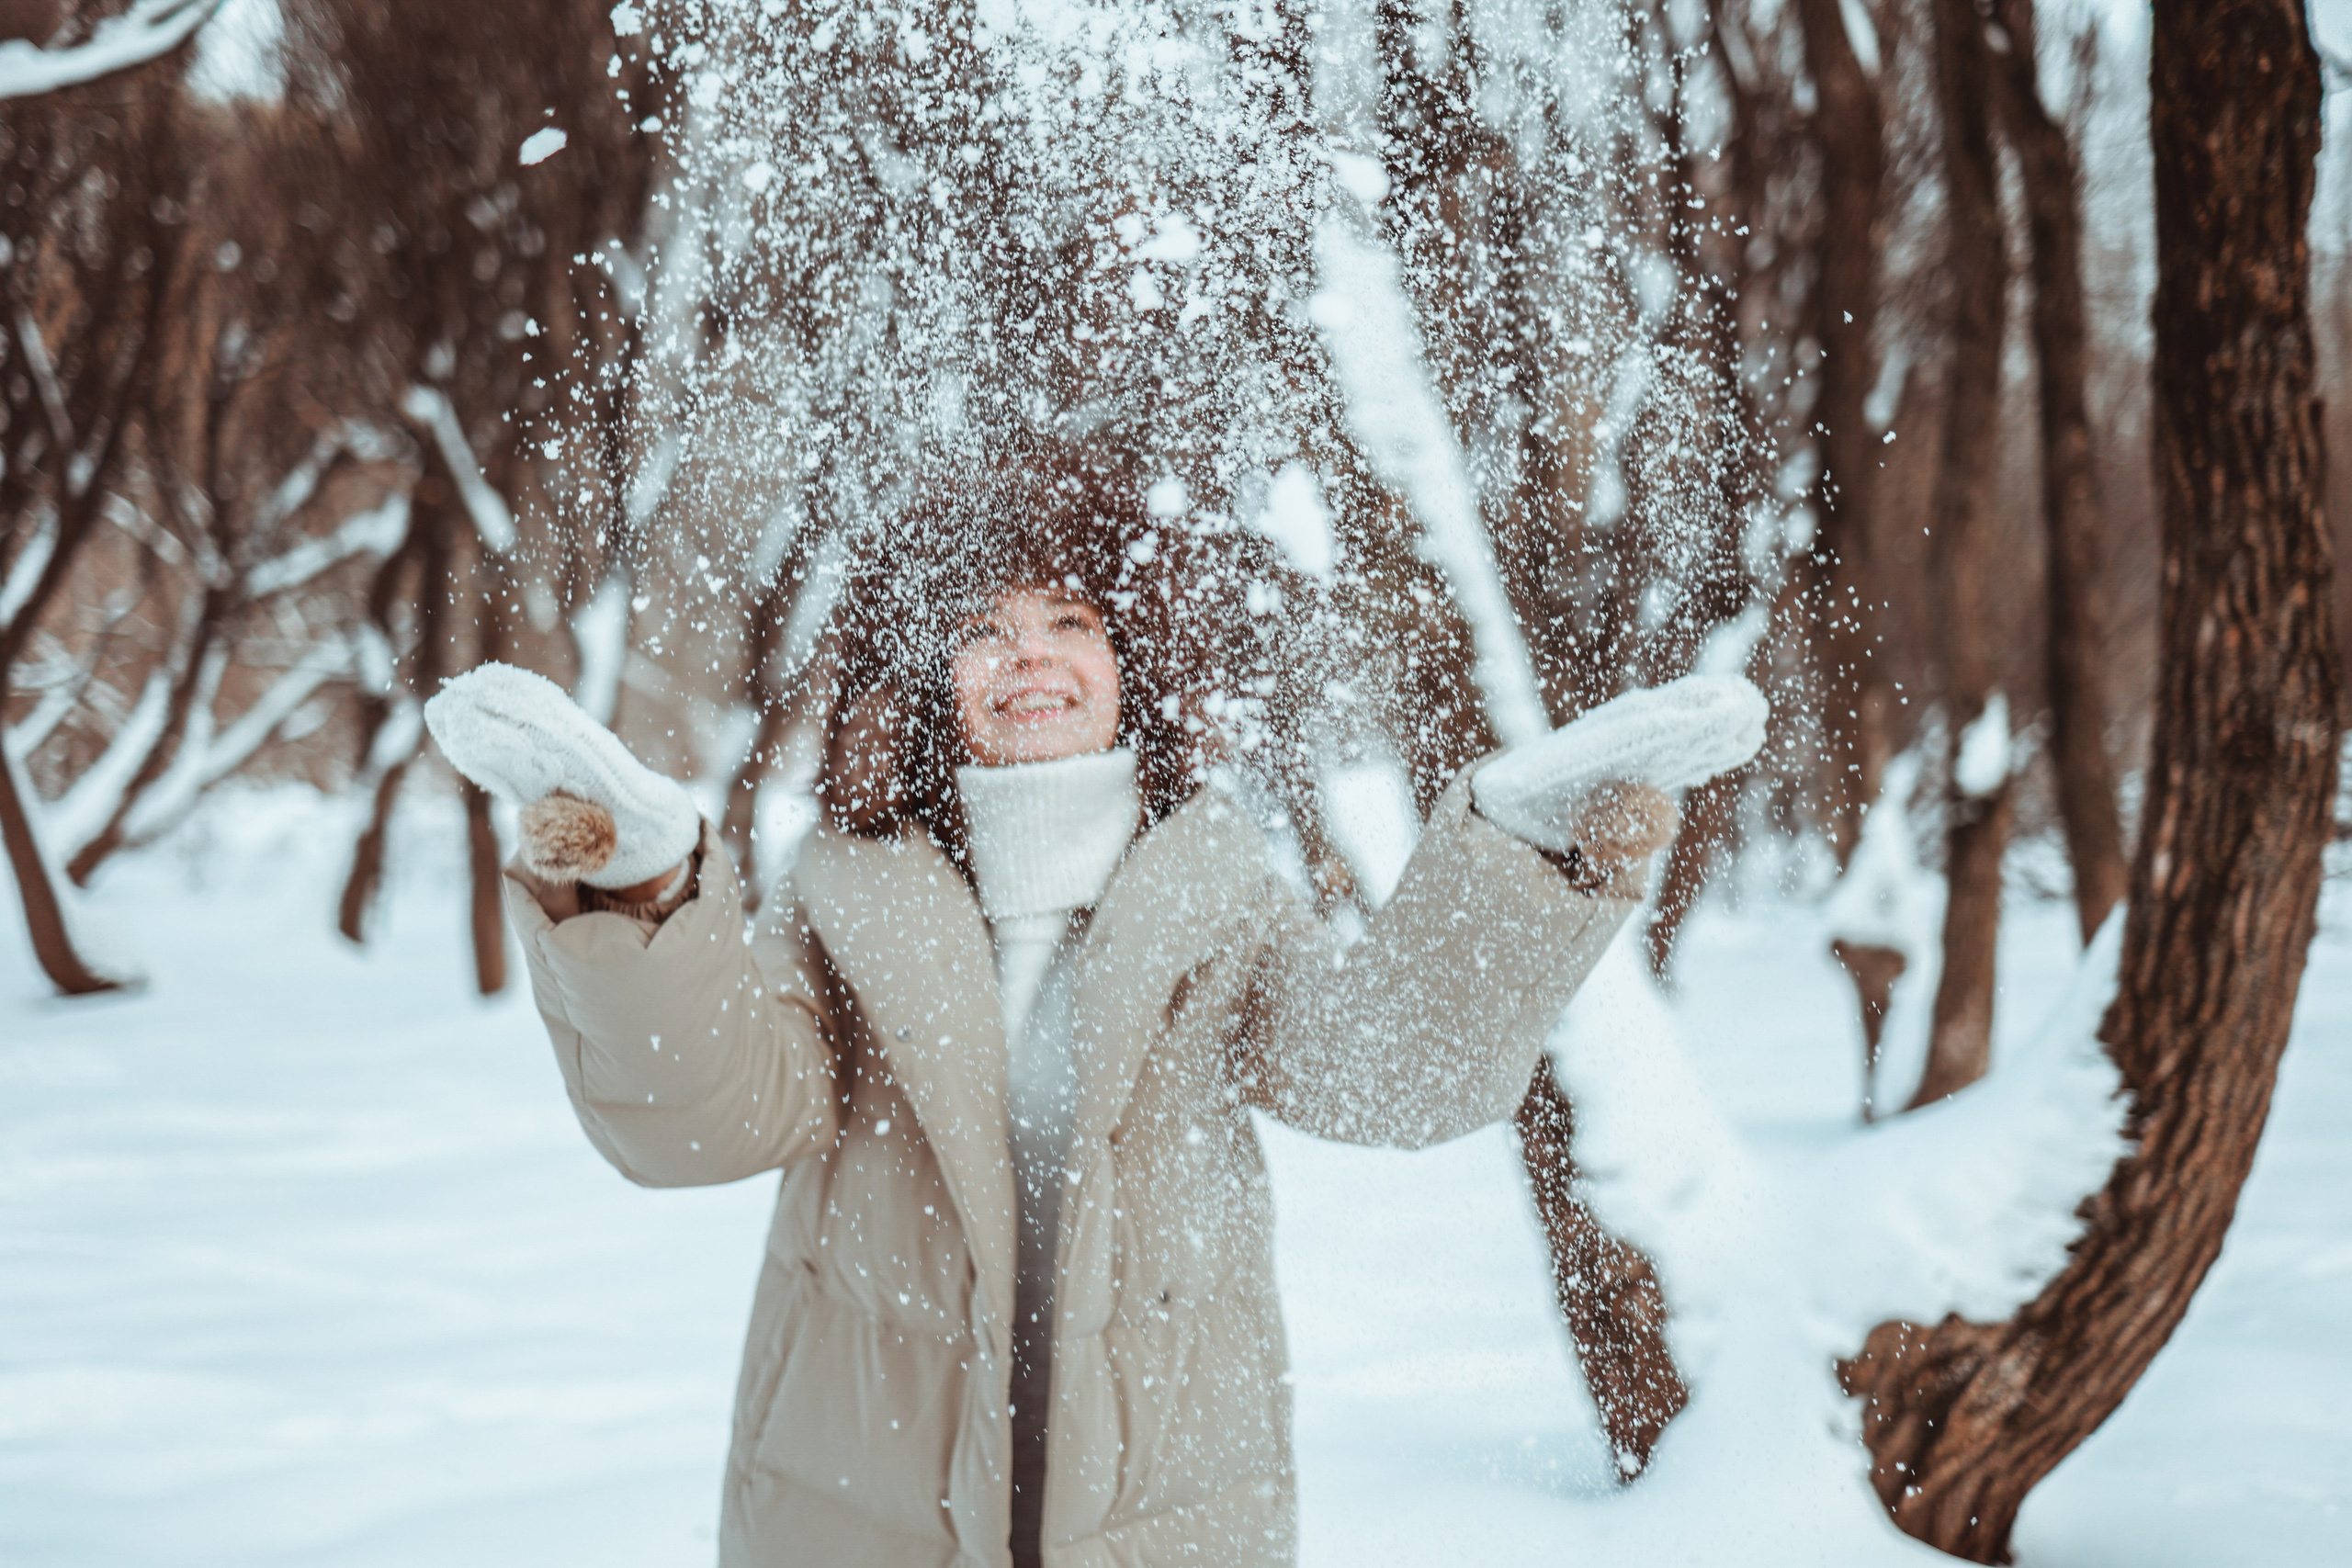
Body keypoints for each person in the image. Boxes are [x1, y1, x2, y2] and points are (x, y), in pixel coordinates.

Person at [424, 454, 1765, 1568]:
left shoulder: (1219, 890)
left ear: (1132, 660)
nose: (1032, 662)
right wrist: (643, 884)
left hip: (1168, 1514)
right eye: (980, 630)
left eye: (1072, 623)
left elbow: (1389, 1076)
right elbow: (696, 1125)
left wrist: (1520, 866)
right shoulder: (845, 897)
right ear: (925, 674)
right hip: (862, 1506)